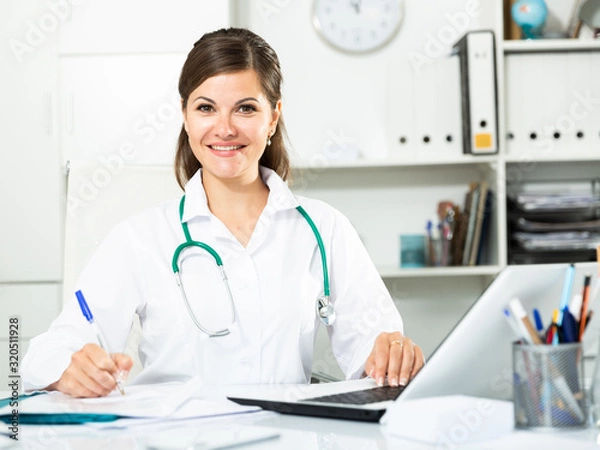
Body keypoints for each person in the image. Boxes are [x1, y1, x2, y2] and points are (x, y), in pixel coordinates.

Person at [21, 27, 424, 398]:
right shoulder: (140, 238)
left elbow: (375, 350)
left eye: (246, 108)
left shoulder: (324, 229)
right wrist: (70, 367)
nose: (225, 128)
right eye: (206, 108)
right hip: (172, 440)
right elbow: (52, 349)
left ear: (273, 117)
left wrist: (391, 356)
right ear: (185, 115)